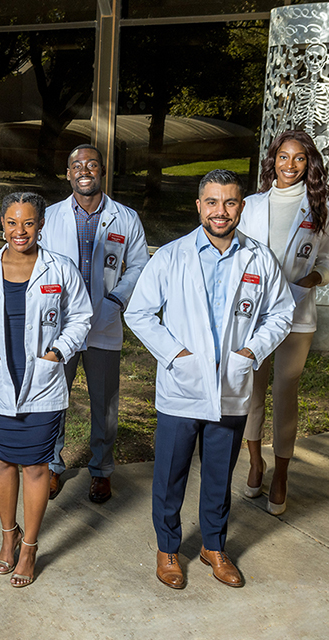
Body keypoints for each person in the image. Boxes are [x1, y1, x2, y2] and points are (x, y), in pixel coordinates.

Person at [125, 170, 294, 590]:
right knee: (170, 473)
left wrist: (250, 352)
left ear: (241, 207)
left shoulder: (259, 257)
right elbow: (139, 313)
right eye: (213, 202)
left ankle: (213, 546)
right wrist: (177, 355)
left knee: (219, 473)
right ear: (198, 206)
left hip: (231, 386)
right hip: (182, 385)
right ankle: (168, 548)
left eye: (230, 202)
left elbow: (282, 313)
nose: (221, 211)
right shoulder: (172, 256)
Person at [0, 192, 91, 587]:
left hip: (42, 381)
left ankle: (30, 546)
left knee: (35, 466)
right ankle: (8, 536)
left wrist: (59, 352)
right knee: (1, 461)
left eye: (29, 223)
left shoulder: (60, 268)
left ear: (41, 224)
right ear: (2, 223)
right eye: (13, 222)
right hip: (0, 379)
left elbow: (81, 316)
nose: (21, 231)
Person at [42, 144, 149, 503]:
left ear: (102, 170)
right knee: (55, 397)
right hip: (61, 325)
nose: (83, 169)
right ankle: (53, 466)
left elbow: (138, 267)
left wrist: (116, 300)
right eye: (76, 165)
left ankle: (101, 469)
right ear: (68, 173)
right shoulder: (50, 216)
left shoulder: (126, 217)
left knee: (105, 403)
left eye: (91, 164)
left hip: (104, 323)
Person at [238, 130, 329, 516]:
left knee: (285, 392)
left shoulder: (321, 208)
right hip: (255, 316)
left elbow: (326, 261)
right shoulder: (251, 205)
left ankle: (282, 473)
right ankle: (256, 461)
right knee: (251, 391)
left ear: (309, 165)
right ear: (272, 159)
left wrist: (313, 279)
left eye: (299, 159)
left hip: (297, 314)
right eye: (283, 157)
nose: (289, 165)